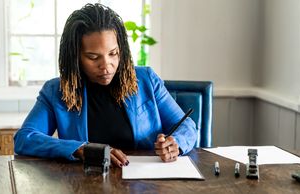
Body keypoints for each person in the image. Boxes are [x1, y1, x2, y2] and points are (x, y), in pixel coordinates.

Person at [14, 3, 197, 168]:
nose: (106, 65)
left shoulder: (146, 79)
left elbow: (187, 126)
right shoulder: (56, 91)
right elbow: (25, 139)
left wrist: (176, 144)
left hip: (144, 183)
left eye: (113, 53)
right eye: (93, 57)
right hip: (85, 184)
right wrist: (81, 149)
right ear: (75, 57)